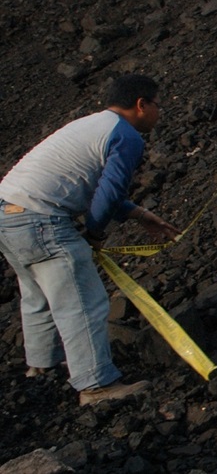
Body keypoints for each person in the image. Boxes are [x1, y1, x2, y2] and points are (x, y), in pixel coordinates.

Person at [0, 74, 180, 406]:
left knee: (38, 295)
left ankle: (41, 370)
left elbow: (87, 184)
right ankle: (96, 385)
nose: (160, 112)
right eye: (158, 104)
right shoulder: (127, 136)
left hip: (8, 212)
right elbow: (109, 191)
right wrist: (95, 234)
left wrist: (138, 214)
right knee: (82, 301)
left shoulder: (93, 125)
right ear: (141, 104)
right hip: (40, 218)